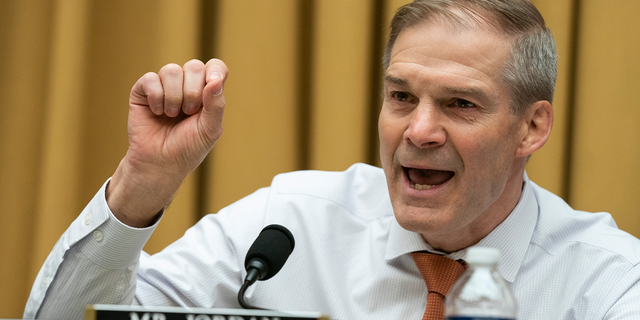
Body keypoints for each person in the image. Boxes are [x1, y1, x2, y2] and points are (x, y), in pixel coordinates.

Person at [25, 0, 640, 319]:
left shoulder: (608, 281)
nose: (419, 130)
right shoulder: (287, 228)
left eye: (460, 104)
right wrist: (143, 182)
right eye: (401, 96)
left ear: (532, 126)